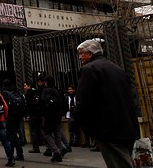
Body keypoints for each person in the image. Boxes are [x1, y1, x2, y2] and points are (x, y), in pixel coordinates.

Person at [75, 39, 139, 168]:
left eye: (82, 53)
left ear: (91, 53)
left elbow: (84, 101)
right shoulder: (117, 69)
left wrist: (78, 122)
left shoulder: (89, 69)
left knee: (118, 164)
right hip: (127, 126)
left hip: (108, 128)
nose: (80, 57)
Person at [39, 75, 67, 162]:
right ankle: (61, 148)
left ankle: (56, 151)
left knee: (47, 134)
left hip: (48, 116)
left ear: (46, 82)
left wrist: (42, 112)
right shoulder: (56, 91)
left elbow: (42, 101)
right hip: (57, 115)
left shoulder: (45, 91)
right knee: (57, 134)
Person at [1, 79, 24, 162]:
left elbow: (3, 106)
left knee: (12, 135)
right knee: (14, 134)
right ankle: (12, 152)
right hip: (18, 115)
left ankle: (20, 153)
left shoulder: (4, 93)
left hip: (10, 116)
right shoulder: (16, 91)